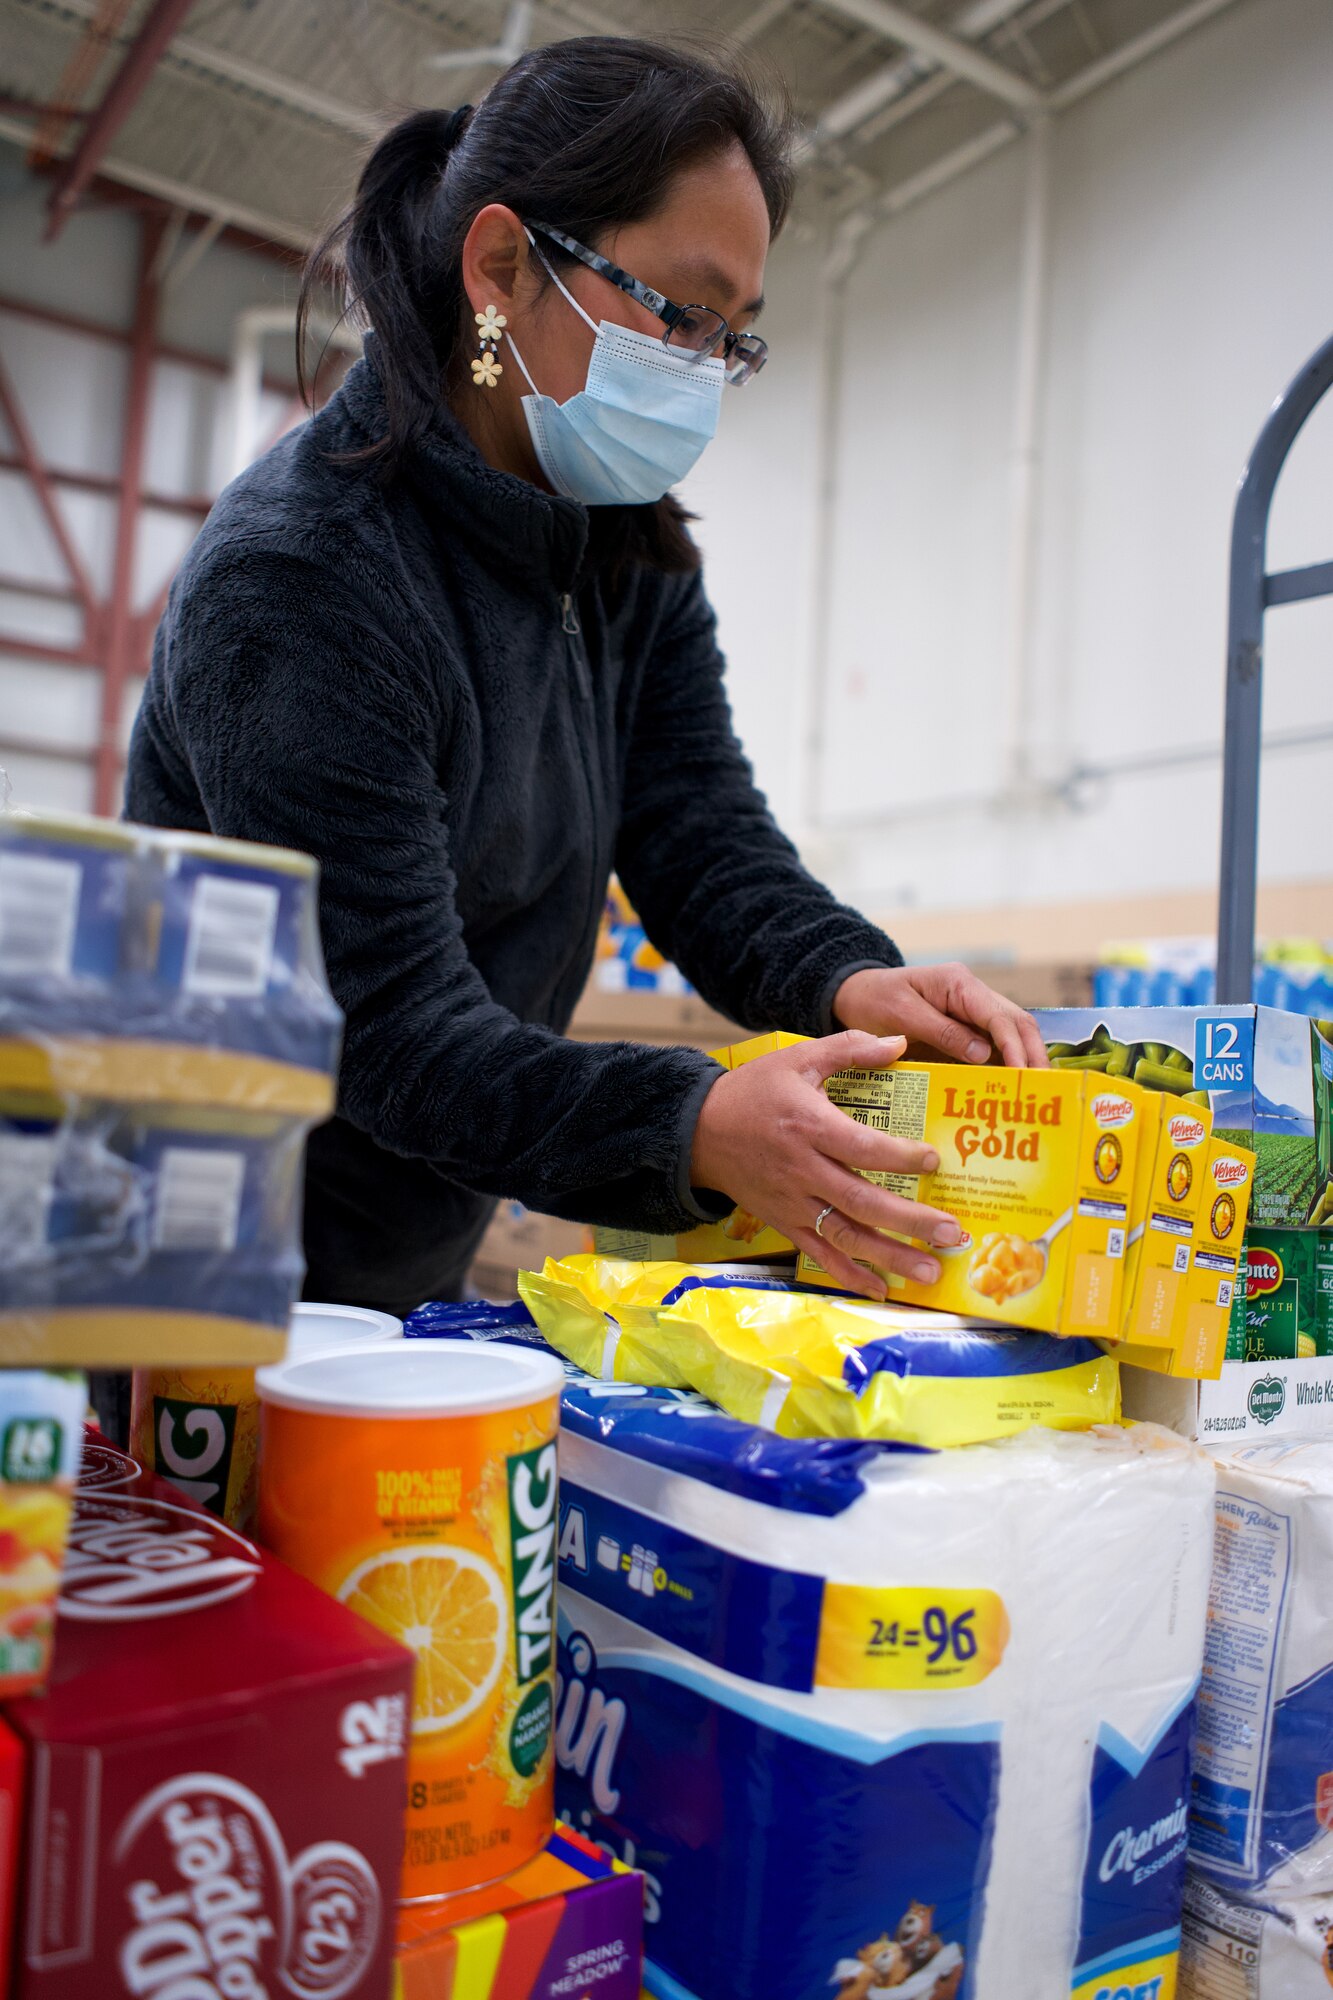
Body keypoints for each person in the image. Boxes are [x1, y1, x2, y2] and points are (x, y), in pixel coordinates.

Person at [125, 37, 1046, 1318]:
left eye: (732, 339)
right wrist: (694, 1122)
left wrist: (848, 976)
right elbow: (389, 1029)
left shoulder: (621, 542)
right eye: (678, 309)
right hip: (199, 1267)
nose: (700, 370)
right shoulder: (301, 578)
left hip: (412, 1249)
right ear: (502, 268)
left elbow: (697, 830)